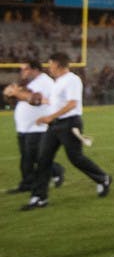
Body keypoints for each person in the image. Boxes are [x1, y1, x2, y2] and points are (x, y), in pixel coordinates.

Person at [21, 52, 111, 210]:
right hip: (55, 124)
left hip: (69, 123)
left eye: (51, 65)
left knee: (75, 158)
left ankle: (102, 178)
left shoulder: (72, 80)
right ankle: (39, 197)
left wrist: (50, 117)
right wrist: (37, 102)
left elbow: (71, 104)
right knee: (43, 159)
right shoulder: (58, 81)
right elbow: (55, 102)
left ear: (58, 64)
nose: (49, 68)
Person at [4, 60, 65, 194]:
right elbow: (19, 97)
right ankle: (30, 182)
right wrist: (10, 93)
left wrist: (16, 93)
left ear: (35, 69)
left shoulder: (44, 82)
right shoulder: (29, 82)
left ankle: (52, 172)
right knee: (27, 156)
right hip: (24, 126)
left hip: (37, 126)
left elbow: (36, 99)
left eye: (25, 69)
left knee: (32, 157)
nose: (22, 72)